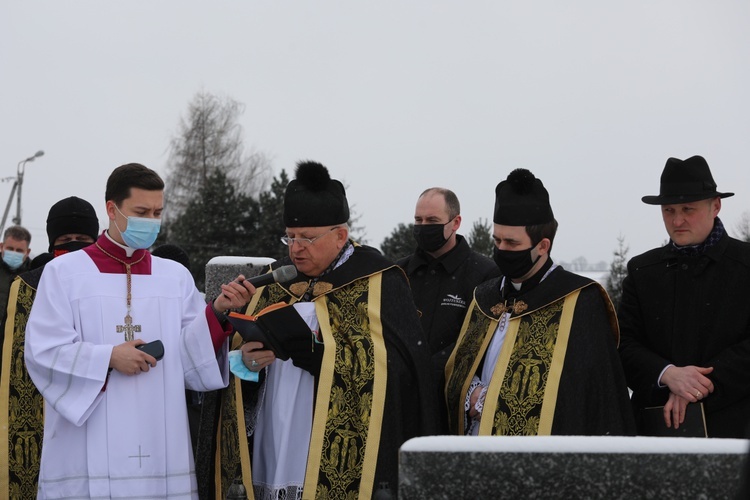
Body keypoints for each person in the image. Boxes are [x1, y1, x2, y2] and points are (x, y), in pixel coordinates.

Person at [198, 161, 436, 499]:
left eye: (308, 238)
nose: (296, 248)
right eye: (290, 237)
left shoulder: (379, 283)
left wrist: (322, 357)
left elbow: (400, 374)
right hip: (272, 442)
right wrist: (247, 365)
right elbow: (240, 369)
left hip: (331, 446)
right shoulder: (274, 284)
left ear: (341, 235)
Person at [24, 163, 254, 498]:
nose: (151, 221)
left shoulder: (174, 277)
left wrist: (217, 312)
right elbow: (43, 351)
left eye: (157, 212)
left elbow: (190, 356)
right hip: (87, 443)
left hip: (161, 446)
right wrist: (108, 357)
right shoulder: (64, 273)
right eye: (141, 211)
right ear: (112, 210)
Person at [445, 168, 634, 436]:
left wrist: (496, 400)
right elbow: (460, 370)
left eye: (512, 242)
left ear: (543, 246)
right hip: (474, 449)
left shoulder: (579, 300)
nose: (501, 250)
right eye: (496, 240)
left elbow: (587, 396)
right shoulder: (485, 297)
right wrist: (472, 392)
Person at [618, 155, 750, 438]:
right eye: (669, 210)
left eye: (688, 209)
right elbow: (622, 344)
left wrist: (695, 385)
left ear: (715, 206)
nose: (677, 220)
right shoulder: (642, 271)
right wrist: (667, 374)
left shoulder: (745, 266)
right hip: (654, 431)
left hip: (735, 430)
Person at [0, 196, 100, 499]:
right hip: (38, 404)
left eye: (81, 240)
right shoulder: (29, 286)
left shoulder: (107, 284)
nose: (72, 247)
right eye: (64, 240)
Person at [397, 187, 498, 433]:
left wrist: (429, 372)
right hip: (402, 402)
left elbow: (480, 340)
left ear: (456, 222)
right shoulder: (399, 273)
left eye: (432, 221)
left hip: (453, 408)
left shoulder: (485, 274)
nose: (423, 227)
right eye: (418, 220)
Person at [0, 225, 32, 331]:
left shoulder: (33, 274)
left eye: (19, 250)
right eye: (10, 249)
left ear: (27, 252)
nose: (14, 253)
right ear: (1, 246)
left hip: (18, 336)